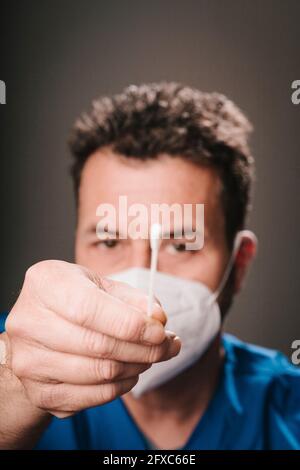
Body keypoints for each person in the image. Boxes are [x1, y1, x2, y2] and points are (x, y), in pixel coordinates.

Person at [0, 83, 299, 450]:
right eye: (110, 242)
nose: (143, 287)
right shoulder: (17, 355)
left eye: (180, 245)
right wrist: (14, 390)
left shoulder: (289, 411)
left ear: (238, 265)